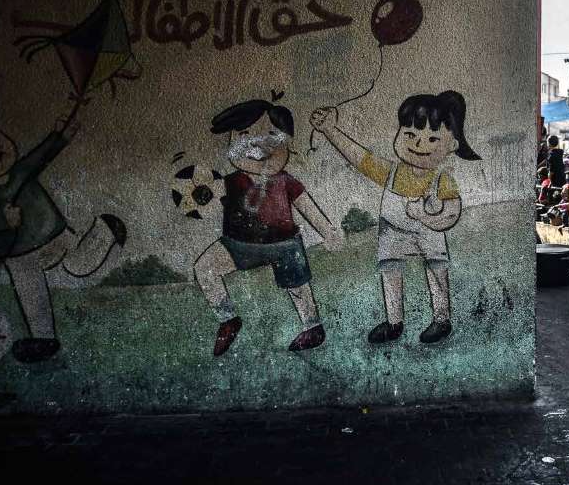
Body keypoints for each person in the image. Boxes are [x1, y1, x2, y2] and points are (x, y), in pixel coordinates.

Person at [0, 99, 126, 363]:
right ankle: (43, 339)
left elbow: (41, 156)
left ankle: (102, 239)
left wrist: (60, 136)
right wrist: (0, 220)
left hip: (55, 236)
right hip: (19, 257)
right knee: (32, 294)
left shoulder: (21, 171)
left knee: (74, 264)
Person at [311, 92, 479, 345]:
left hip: (429, 232)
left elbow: (451, 213)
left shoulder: (442, 179)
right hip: (392, 231)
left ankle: (441, 319)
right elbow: (359, 158)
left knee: (436, 268)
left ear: (452, 145)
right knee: (390, 270)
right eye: (410, 134)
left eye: (433, 139)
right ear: (398, 134)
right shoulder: (391, 172)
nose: (419, 145)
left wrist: (426, 217)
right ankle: (394, 322)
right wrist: (330, 130)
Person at [194, 96, 342, 356]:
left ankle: (313, 327)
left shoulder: (285, 181)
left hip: (284, 243)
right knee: (204, 268)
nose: (256, 144)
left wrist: (328, 231)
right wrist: (199, 195)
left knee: (298, 285)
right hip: (238, 244)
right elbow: (207, 197)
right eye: (243, 134)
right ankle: (228, 319)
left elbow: (307, 207)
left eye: (271, 135)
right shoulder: (230, 181)